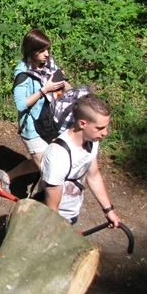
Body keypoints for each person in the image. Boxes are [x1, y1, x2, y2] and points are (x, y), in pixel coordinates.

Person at [0, 29, 68, 193]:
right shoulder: (23, 74)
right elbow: (20, 105)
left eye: (47, 49)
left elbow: (59, 88)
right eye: (41, 51)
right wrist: (44, 90)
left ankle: (6, 176)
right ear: (31, 51)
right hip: (32, 126)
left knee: (46, 162)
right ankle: (44, 200)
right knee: (46, 167)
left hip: (50, 121)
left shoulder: (48, 64)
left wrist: (60, 82)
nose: (46, 54)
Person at [39, 94, 121, 227]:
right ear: (82, 123)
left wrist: (108, 210)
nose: (105, 133)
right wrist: (58, 229)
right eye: (100, 128)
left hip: (71, 213)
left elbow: (93, 176)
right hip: (51, 219)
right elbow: (51, 206)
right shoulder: (58, 155)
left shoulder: (91, 141)